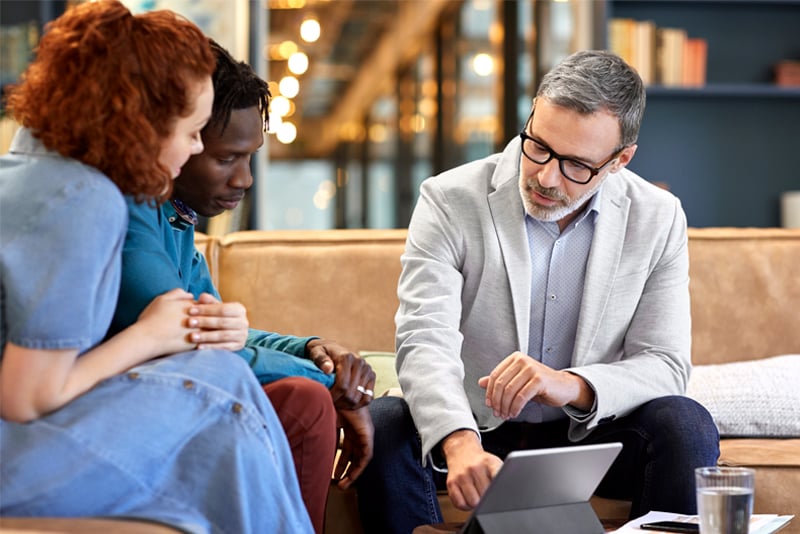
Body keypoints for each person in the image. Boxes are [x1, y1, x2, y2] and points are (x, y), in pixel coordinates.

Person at [356, 49, 720, 533]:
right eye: (539, 147)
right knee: (383, 423)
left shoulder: (658, 216)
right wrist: (459, 441)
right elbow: (425, 339)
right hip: (476, 430)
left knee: (685, 421)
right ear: (530, 118)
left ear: (620, 160)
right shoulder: (448, 199)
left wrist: (568, 383)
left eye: (576, 166)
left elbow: (666, 364)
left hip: (592, 436)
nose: (546, 177)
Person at [0, 2, 313, 533]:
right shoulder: (84, 198)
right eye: (192, 131)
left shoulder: (25, 170)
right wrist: (150, 335)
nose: (195, 147)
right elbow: (26, 394)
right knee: (222, 386)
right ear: (140, 121)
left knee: (220, 380)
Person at [109, 40, 375, 533]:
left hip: (162, 397)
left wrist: (311, 350)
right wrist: (332, 383)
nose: (247, 179)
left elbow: (223, 336)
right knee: (305, 401)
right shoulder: (127, 212)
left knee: (304, 394)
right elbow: (193, 347)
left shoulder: (175, 215)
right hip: (115, 413)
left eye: (251, 157)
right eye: (226, 157)